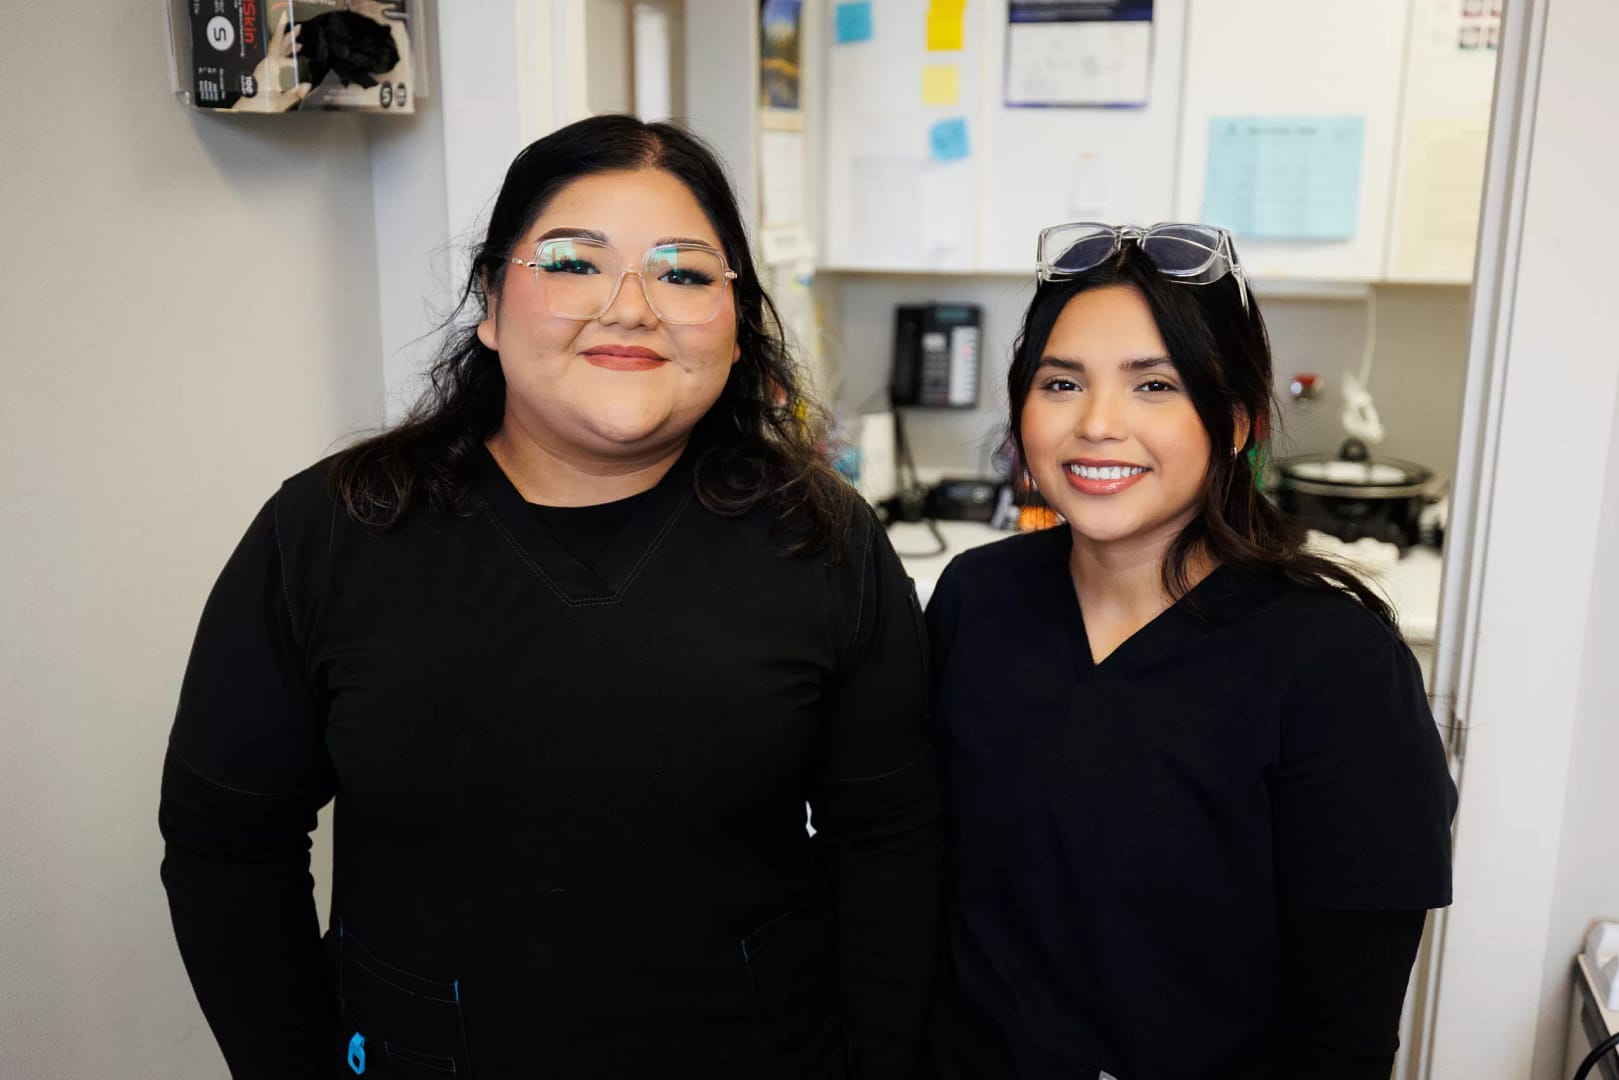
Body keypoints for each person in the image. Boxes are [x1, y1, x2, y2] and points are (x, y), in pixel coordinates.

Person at [159, 114, 940, 1079]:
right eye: (573, 262)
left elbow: (891, 847)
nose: (631, 306)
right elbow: (226, 848)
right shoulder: (333, 530)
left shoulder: (821, 539)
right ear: (490, 302)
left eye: (684, 272)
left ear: (736, 326)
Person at [924, 223, 1456, 1079]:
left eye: (1154, 385)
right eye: (1061, 382)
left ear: (1237, 420)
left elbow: (1343, 1036)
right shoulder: (977, 599)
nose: (1097, 423)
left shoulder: (1335, 670)